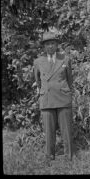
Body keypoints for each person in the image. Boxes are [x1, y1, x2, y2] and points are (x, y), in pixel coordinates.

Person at [34, 28, 73, 163]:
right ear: (44, 46)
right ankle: (50, 156)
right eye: (47, 44)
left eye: (53, 43)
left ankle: (69, 156)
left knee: (66, 130)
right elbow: (38, 81)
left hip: (63, 97)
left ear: (57, 45)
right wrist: (44, 91)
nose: (50, 46)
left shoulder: (65, 59)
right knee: (49, 131)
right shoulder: (38, 62)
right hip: (47, 98)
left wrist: (67, 92)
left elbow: (70, 80)